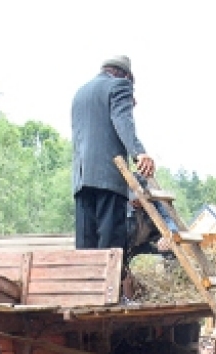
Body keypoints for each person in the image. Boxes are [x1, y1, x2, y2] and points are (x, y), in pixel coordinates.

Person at [71, 56, 155, 250]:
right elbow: (122, 122)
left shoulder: (81, 92)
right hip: (109, 177)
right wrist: (139, 153)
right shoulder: (120, 86)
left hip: (82, 180)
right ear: (125, 75)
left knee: (86, 249)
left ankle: (88, 281)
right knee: (111, 247)